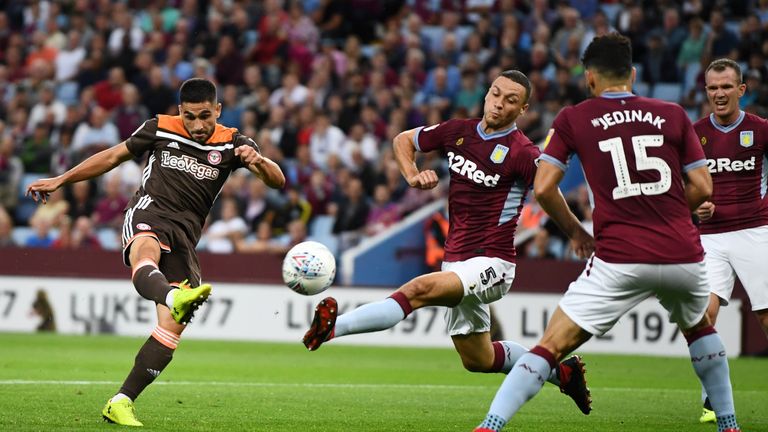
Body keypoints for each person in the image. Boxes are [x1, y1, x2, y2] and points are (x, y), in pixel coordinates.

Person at [473, 34, 740, 432]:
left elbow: (544, 188)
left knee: (551, 345)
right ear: (632, 74)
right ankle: (729, 425)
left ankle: (490, 426)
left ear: (590, 78)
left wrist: (578, 234)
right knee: (700, 327)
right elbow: (702, 187)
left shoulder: (574, 117)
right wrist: (667, 215)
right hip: (682, 253)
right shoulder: (672, 113)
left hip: (620, 257)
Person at [302, 70, 591, 415]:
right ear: (486, 94)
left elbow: (548, 193)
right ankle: (563, 373)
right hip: (455, 262)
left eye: (510, 100)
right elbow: (403, 140)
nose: (499, 103)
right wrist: (411, 174)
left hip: (493, 263)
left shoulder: (522, 153)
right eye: (496, 94)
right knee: (478, 359)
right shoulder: (458, 132)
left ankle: (333, 328)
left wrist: (575, 232)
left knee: (418, 290)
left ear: (523, 109)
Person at [27, 78, 285, 427]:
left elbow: (277, 180)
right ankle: (171, 294)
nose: (197, 125)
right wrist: (61, 180)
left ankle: (120, 401)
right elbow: (113, 156)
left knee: (171, 327)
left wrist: (258, 161)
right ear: (180, 111)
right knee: (144, 251)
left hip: (186, 235)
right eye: (190, 116)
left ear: (218, 110)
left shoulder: (234, 142)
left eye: (205, 116)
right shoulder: (160, 127)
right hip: (150, 211)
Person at [693, 58, 768, 424]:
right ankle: (712, 398)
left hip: (757, 232)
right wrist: (697, 208)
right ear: (705, 92)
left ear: (742, 89)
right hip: (710, 238)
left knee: (766, 316)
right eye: (712, 88)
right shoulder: (693, 134)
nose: (719, 94)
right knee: (704, 316)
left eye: (726, 87)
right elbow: (682, 187)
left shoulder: (762, 130)